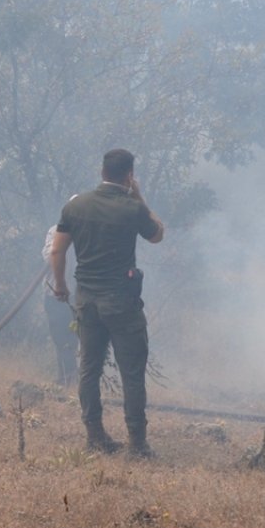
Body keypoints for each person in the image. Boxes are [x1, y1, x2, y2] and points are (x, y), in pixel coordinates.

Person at [49, 149, 165, 457]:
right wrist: (139, 197)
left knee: (89, 367)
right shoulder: (132, 208)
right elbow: (157, 235)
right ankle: (137, 444)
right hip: (122, 303)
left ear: (102, 172)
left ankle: (95, 436)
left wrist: (60, 286)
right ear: (128, 175)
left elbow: (57, 251)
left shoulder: (76, 206)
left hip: (87, 300)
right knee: (132, 372)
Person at [42, 224, 78, 388]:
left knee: (75, 338)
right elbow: (50, 256)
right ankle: (65, 378)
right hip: (55, 295)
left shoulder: (91, 230)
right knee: (60, 338)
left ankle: (72, 378)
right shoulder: (56, 230)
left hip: (80, 296)